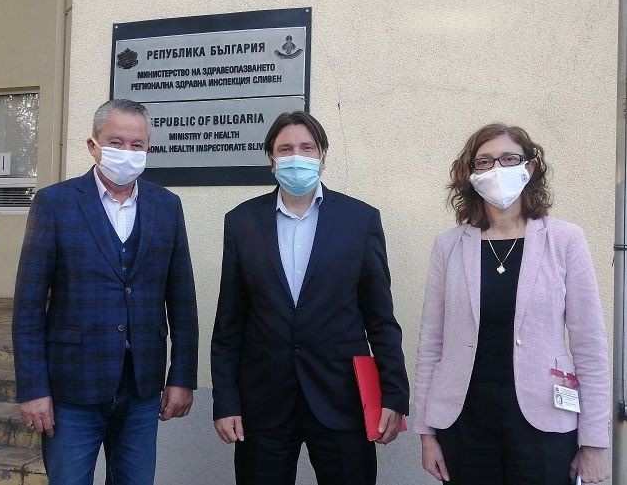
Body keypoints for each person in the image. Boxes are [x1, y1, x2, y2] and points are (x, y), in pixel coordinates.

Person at [211, 110, 409, 485]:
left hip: (342, 398)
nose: (296, 156)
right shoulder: (241, 222)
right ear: (271, 159)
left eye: (307, 148)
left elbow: (380, 318)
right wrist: (225, 400)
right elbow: (229, 323)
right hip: (263, 401)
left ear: (322, 156)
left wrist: (394, 394)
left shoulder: (360, 220)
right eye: (285, 149)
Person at [12, 99, 199, 485]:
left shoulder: (167, 206)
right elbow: (29, 307)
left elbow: (182, 301)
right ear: (93, 145)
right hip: (72, 388)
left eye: (137, 144)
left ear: (147, 149)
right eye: (116, 142)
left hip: (142, 388)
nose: (127, 152)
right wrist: (32, 389)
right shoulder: (54, 203)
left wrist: (181, 376)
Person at [413, 123, 610, 484]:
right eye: (485, 161)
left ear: (529, 167)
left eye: (508, 159)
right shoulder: (448, 246)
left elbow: (590, 347)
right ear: (471, 174)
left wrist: (594, 443)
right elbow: (431, 344)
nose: (497, 169)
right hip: (464, 422)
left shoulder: (565, 240)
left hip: (544, 423)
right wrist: (426, 433)